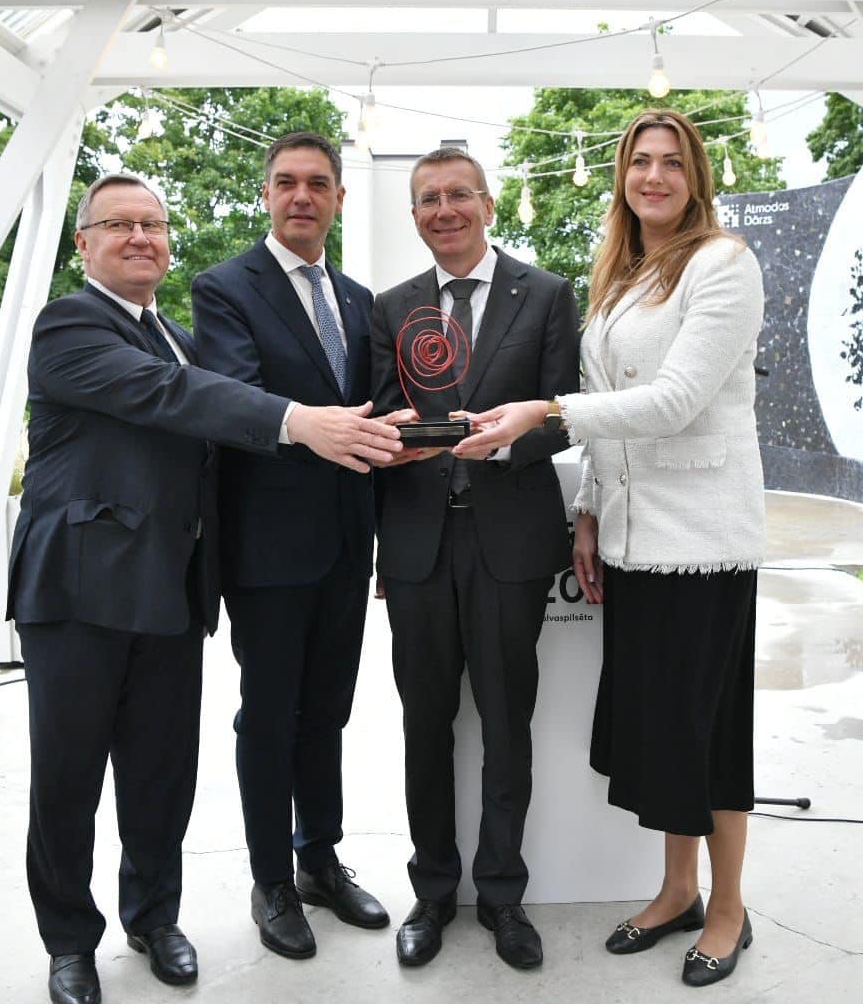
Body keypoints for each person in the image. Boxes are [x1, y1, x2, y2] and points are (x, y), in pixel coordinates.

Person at [9, 172, 401, 1004]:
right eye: (119, 225)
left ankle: (154, 918)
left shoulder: (179, 337)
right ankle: (69, 942)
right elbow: (173, 397)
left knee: (161, 773)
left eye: (152, 225)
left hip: (172, 590)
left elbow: (215, 424)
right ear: (84, 244)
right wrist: (298, 420)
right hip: (80, 590)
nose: (140, 238)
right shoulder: (69, 324)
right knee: (69, 779)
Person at [453, 109, 766, 989]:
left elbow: (674, 401)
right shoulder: (623, 276)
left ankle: (729, 909)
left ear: (695, 178)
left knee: (711, 735)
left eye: (672, 162)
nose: (653, 176)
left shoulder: (723, 264)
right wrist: (588, 512)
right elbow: (610, 423)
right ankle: (677, 890)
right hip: (633, 539)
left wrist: (545, 411)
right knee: (665, 733)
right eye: (639, 162)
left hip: (703, 541)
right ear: (622, 176)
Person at [369, 147, 580, 971]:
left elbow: (564, 413)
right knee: (424, 724)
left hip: (509, 542)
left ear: (488, 205)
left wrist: (507, 442)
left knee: (505, 723)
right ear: (414, 216)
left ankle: (501, 895)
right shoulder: (392, 308)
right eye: (428, 199)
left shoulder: (547, 294)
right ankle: (432, 891)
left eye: (459, 194)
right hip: (418, 544)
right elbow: (385, 411)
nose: (444, 210)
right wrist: (395, 438)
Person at [191, 132, 390, 960]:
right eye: (285, 182)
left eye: (316, 183)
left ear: (339, 197)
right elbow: (238, 401)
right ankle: (271, 879)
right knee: (270, 716)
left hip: (348, 540)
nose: (301, 195)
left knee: (328, 710)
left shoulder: (359, 299)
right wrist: (321, 430)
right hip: (270, 546)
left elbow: (374, 408)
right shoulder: (224, 288)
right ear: (267, 194)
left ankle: (320, 860)